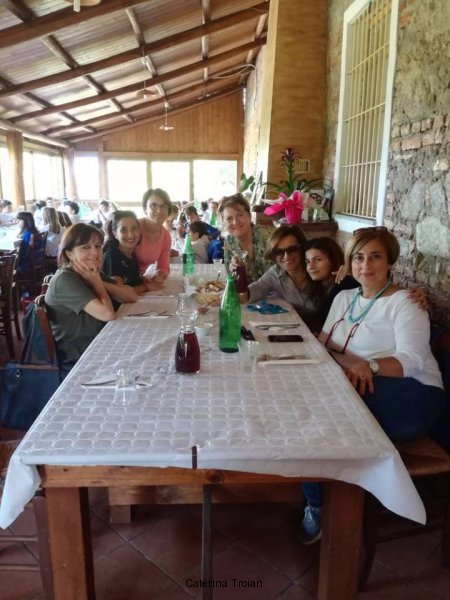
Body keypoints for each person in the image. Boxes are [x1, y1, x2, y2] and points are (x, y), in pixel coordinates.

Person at [300, 227, 445, 544]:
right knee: (310, 401)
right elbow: (324, 343)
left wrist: (370, 365)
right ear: (349, 262)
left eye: (375, 257)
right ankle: (325, 495)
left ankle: (321, 505)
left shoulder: (406, 302)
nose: (365, 265)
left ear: (390, 262)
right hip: (357, 382)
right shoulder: (344, 298)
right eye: (358, 257)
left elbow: (411, 360)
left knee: (327, 410)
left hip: (412, 393)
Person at [45, 223, 138, 371]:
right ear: (69, 253)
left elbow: (131, 296)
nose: (95, 253)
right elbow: (107, 314)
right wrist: (96, 283)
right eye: (85, 247)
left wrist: (98, 281)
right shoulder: (65, 280)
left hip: (104, 340)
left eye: (98, 246)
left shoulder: (90, 273)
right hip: (84, 356)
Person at [241, 225, 327, 330]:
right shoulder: (276, 272)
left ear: (302, 249)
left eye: (292, 249)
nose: (286, 256)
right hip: (298, 329)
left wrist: (344, 271)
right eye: (279, 252)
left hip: (325, 332)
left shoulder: (315, 269)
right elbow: (252, 292)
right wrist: (238, 272)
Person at [102, 210, 163, 294]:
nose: (130, 235)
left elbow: (131, 280)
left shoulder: (131, 253)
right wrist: (146, 287)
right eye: (123, 230)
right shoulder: (112, 256)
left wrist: (142, 280)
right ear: (115, 234)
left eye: (134, 228)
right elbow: (119, 293)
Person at [219, 193, 274, 283]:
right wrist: (234, 271)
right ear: (224, 224)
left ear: (249, 217)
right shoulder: (229, 242)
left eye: (240, 215)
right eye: (229, 219)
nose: (235, 222)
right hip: (250, 291)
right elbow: (232, 281)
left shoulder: (269, 236)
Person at [134, 188, 172, 282]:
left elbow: (163, 267)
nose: (159, 211)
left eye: (164, 206)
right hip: (119, 279)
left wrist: (159, 275)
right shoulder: (134, 227)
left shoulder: (166, 236)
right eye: (153, 205)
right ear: (145, 208)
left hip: (138, 279)